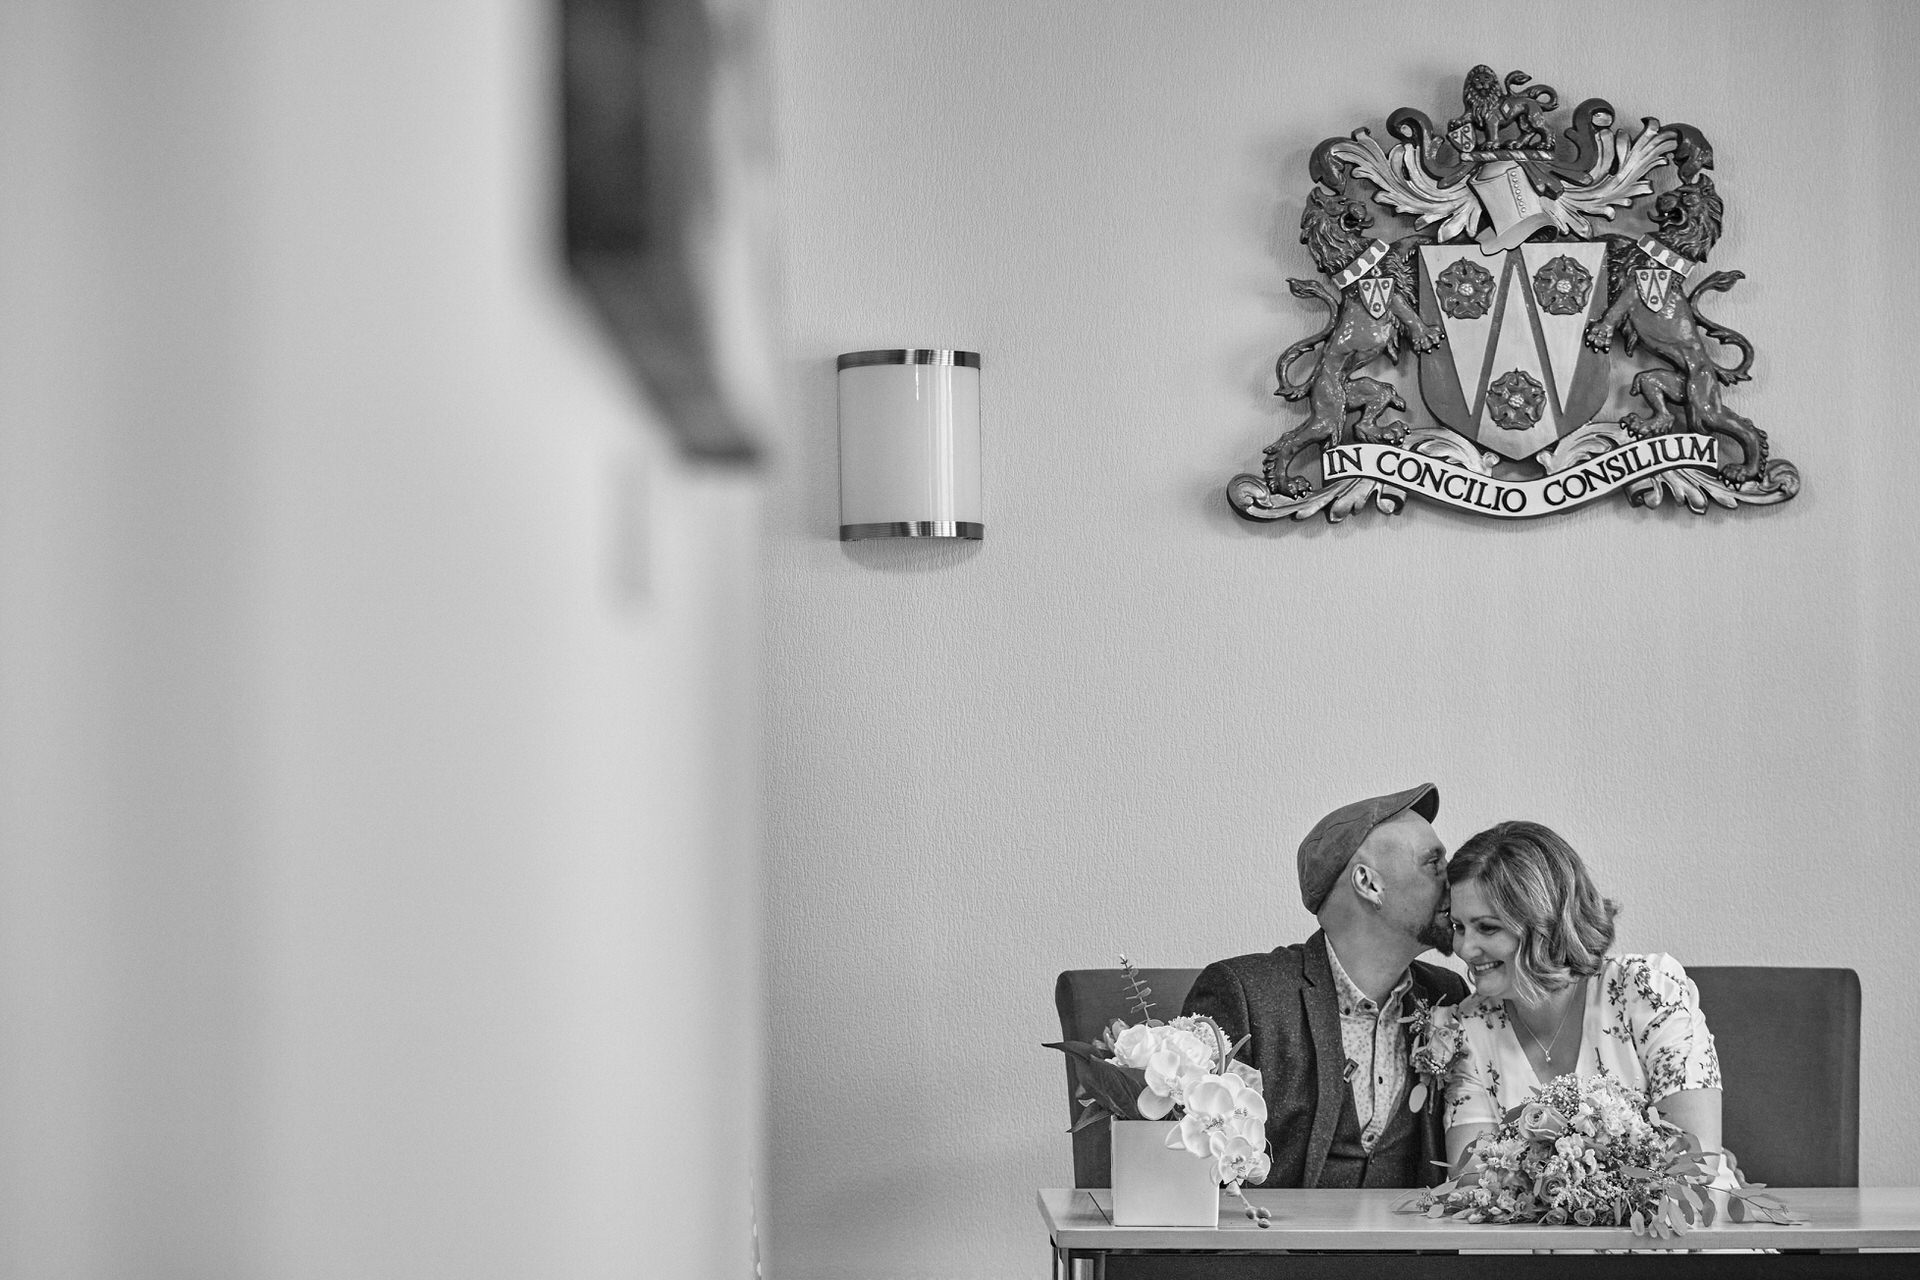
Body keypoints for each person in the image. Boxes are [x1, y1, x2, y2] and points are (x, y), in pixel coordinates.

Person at [1182, 783, 1467, 1188]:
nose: (1456, 881)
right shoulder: (1244, 994)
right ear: (1368, 883)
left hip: (1414, 1232)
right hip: (1277, 1231)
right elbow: (1196, 1171)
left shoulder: (1448, 995)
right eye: (1433, 863)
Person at [1442, 820, 1731, 1184]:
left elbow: (1694, 1162)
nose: (1464, 948)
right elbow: (1471, 1176)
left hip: (1683, 1217)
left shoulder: (1647, 989)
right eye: (1458, 927)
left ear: (1544, 924)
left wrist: (1552, 1179)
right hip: (1531, 1224)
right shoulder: (1468, 1027)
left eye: (1487, 927)